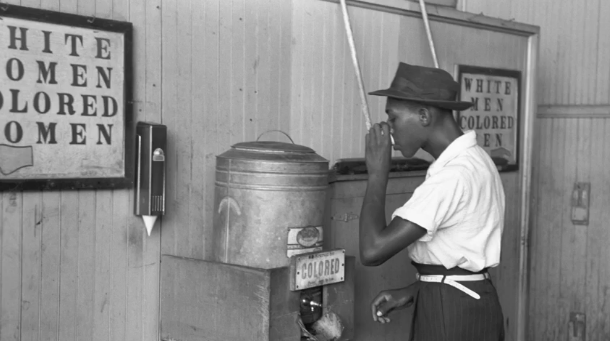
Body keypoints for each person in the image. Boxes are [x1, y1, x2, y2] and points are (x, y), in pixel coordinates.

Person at [360, 62, 506, 341]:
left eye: (393, 118)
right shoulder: (475, 160)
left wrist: (377, 174)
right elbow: (461, 257)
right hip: (465, 299)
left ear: (424, 115)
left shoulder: (453, 176)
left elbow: (372, 250)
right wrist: (416, 291)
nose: (389, 131)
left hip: (451, 311)